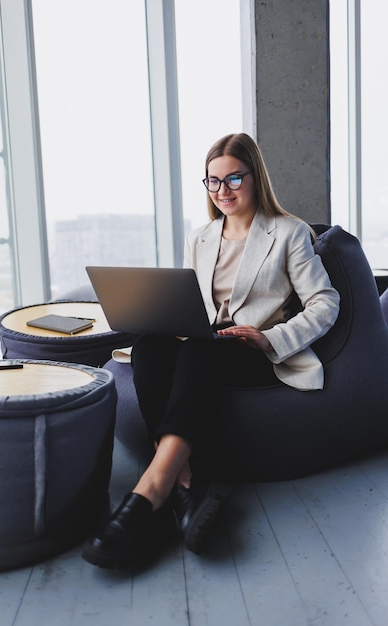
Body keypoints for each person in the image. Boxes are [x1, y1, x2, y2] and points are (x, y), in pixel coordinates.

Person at [82, 132, 340, 570]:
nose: (222, 191)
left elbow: (325, 302)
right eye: (213, 182)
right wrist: (174, 324)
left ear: (255, 178)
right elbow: (195, 302)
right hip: (204, 342)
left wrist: (269, 338)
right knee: (149, 347)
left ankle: (151, 488)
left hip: (255, 348)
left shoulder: (289, 233)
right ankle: (185, 490)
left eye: (234, 179)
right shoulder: (200, 237)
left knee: (199, 355)